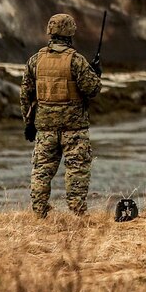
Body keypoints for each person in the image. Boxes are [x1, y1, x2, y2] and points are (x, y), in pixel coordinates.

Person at [20, 13, 102, 218]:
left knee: (41, 171)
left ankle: (39, 213)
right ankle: (77, 214)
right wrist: (96, 74)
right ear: (70, 33)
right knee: (76, 171)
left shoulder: (35, 60)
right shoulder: (76, 60)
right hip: (74, 129)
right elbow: (92, 90)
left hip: (45, 128)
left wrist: (28, 123)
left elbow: (25, 94)